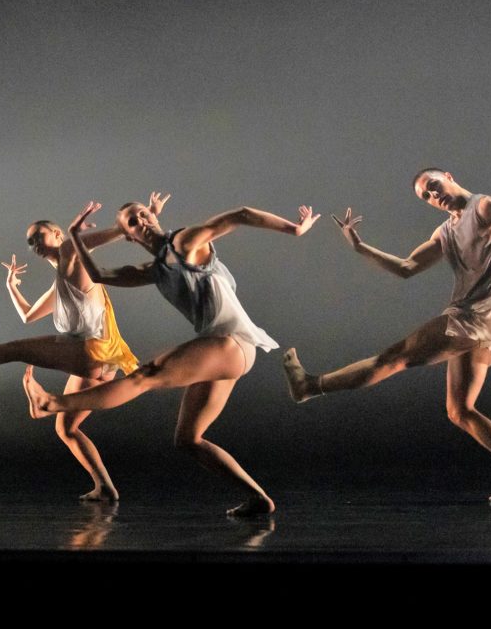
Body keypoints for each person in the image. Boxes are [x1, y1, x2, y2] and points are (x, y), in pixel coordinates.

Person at [282, 168, 491, 503]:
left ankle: (310, 386)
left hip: (470, 317)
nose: (434, 196)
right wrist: (360, 246)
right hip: (486, 320)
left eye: (434, 186)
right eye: (427, 196)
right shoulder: (447, 230)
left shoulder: (486, 208)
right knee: (460, 410)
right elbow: (407, 267)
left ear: (449, 176)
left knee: (395, 358)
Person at [22, 199, 320, 516]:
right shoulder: (154, 269)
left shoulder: (183, 243)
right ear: (129, 235)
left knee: (144, 376)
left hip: (229, 342)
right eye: (133, 222)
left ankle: (52, 404)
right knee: (188, 439)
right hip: (224, 354)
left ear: (155, 216)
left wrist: (294, 229)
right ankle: (259, 498)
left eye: (144, 214)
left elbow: (240, 215)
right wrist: (74, 237)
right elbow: (98, 275)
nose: (142, 220)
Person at [0, 194, 169, 501]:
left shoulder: (71, 250)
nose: (33, 245)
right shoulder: (62, 279)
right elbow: (28, 315)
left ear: (57, 235)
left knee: (11, 349)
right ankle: (105, 488)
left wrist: (145, 219)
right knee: (66, 429)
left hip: (90, 351)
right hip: (100, 361)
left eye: (37, 237)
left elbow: (117, 231)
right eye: (29, 242)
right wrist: (11, 287)